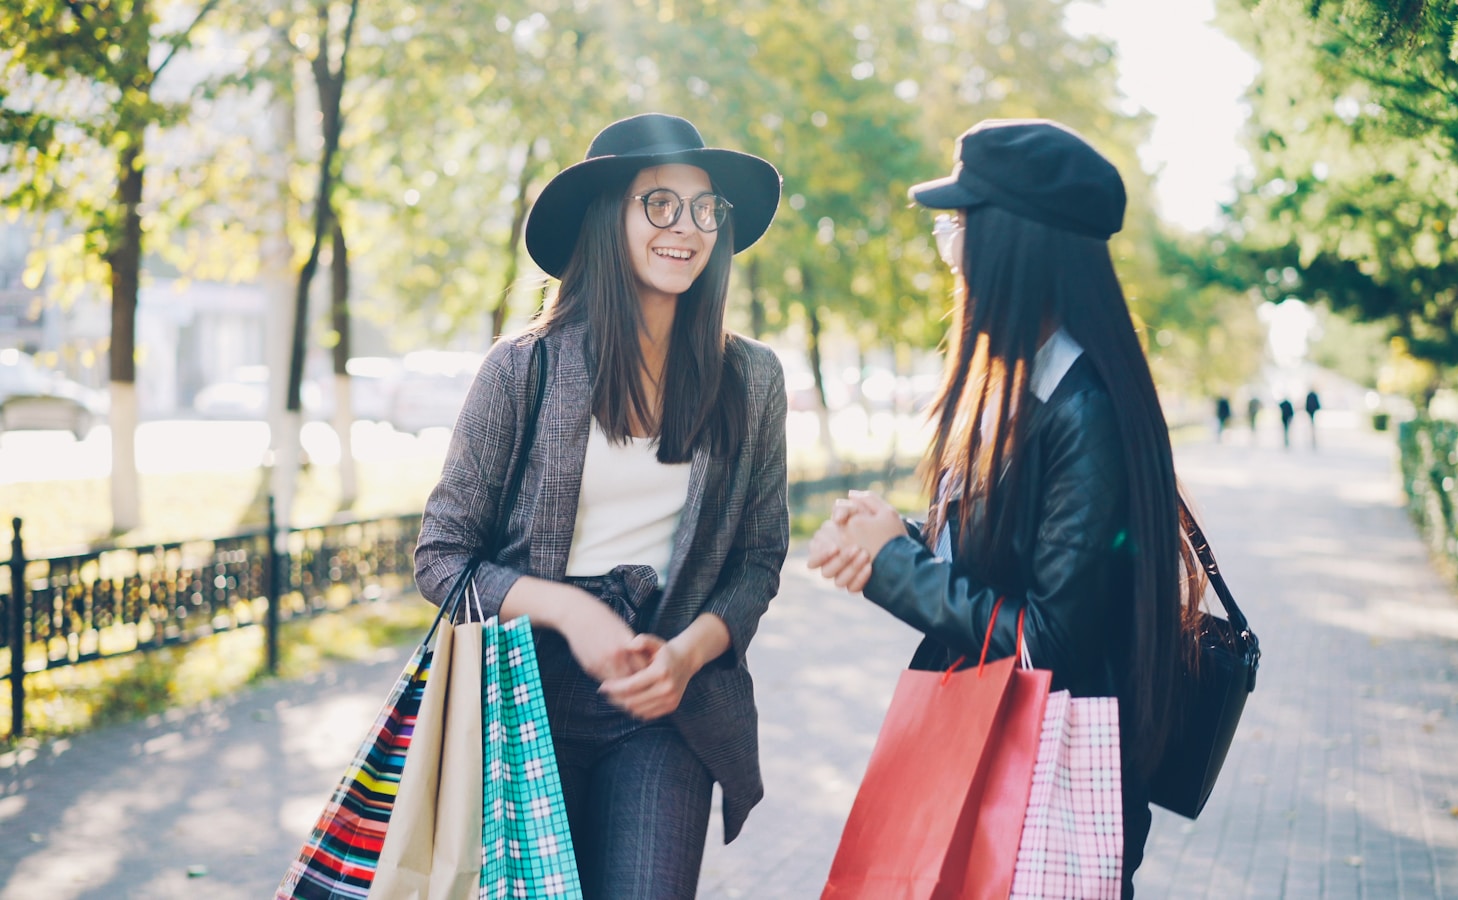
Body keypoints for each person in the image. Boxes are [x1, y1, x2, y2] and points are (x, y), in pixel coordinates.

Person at [806, 119, 1206, 898]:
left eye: (959, 227)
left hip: (1049, 765)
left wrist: (896, 565)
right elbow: (1012, 553)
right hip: (994, 750)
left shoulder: (1084, 408)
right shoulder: (1024, 385)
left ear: (1019, 244)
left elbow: (1051, 637)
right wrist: (894, 540)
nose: (950, 251)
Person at [413, 113, 787, 900]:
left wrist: (688, 654)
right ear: (607, 216)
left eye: (705, 208)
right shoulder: (525, 368)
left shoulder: (751, 378)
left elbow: (758, 559)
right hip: (524, 698)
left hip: (668, 695)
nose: (687, 229)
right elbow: (441, 558)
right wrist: (570, 612)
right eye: (659, 204)